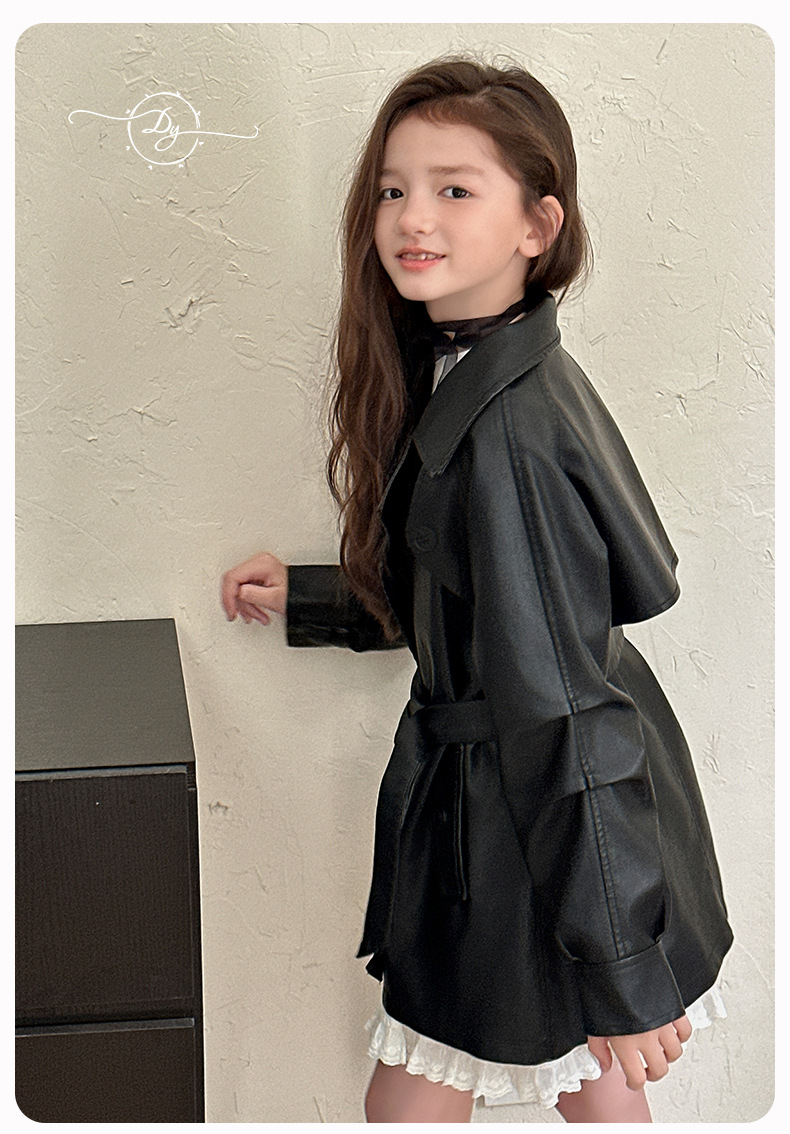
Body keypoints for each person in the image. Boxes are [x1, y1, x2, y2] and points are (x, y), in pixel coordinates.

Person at [221, 57, 732, 1123]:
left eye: (455, 188)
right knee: (588, 1094)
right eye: (393, 189)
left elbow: (566, 709)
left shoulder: (510, 432)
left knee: (443, 1100)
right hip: (528, 814)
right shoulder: (475, 369)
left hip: (532, 823)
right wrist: (316, 596)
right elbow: (477, 595)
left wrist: (623, 958)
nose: (413, 217)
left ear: (537, 225)